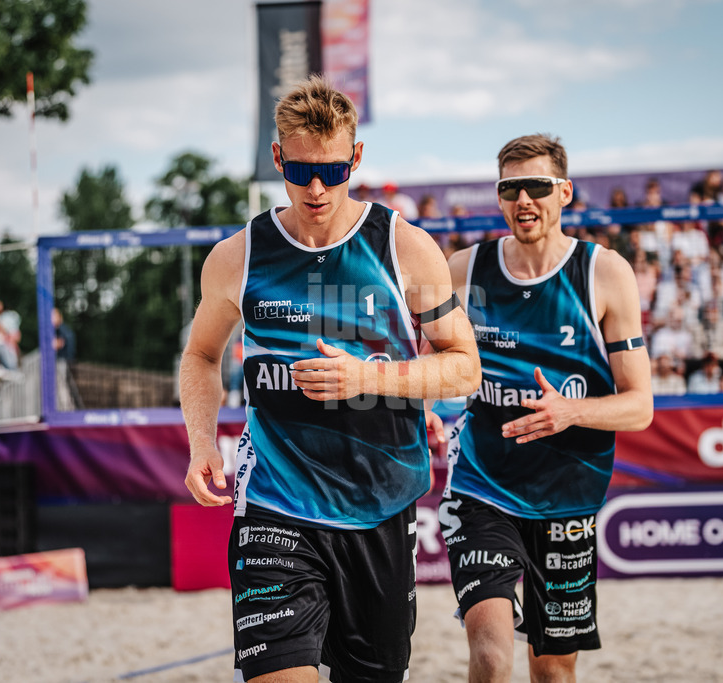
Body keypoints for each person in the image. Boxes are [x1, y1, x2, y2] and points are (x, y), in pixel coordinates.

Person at [179, 75, 480, 683]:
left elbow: (464, 365)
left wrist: (370, 377)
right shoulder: (238, 256)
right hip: (275, 506)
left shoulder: (405, 248)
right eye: (301, 171)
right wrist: (203, 443)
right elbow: (201, 356)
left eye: (335, 171)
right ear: (278, 158)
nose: (317, 188)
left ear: (356, 158)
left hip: (379, 507)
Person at [438, 133, 653, 683]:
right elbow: (419, 353)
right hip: (482, 488)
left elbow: (640, 406)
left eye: (536, 186)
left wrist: (571, 413)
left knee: (553, 671)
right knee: (490, 652)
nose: (523, 199)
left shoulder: (604, 273)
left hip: (566, 498)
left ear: (565, 193)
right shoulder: (465, 269)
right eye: (510, 188)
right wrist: (420, 414)